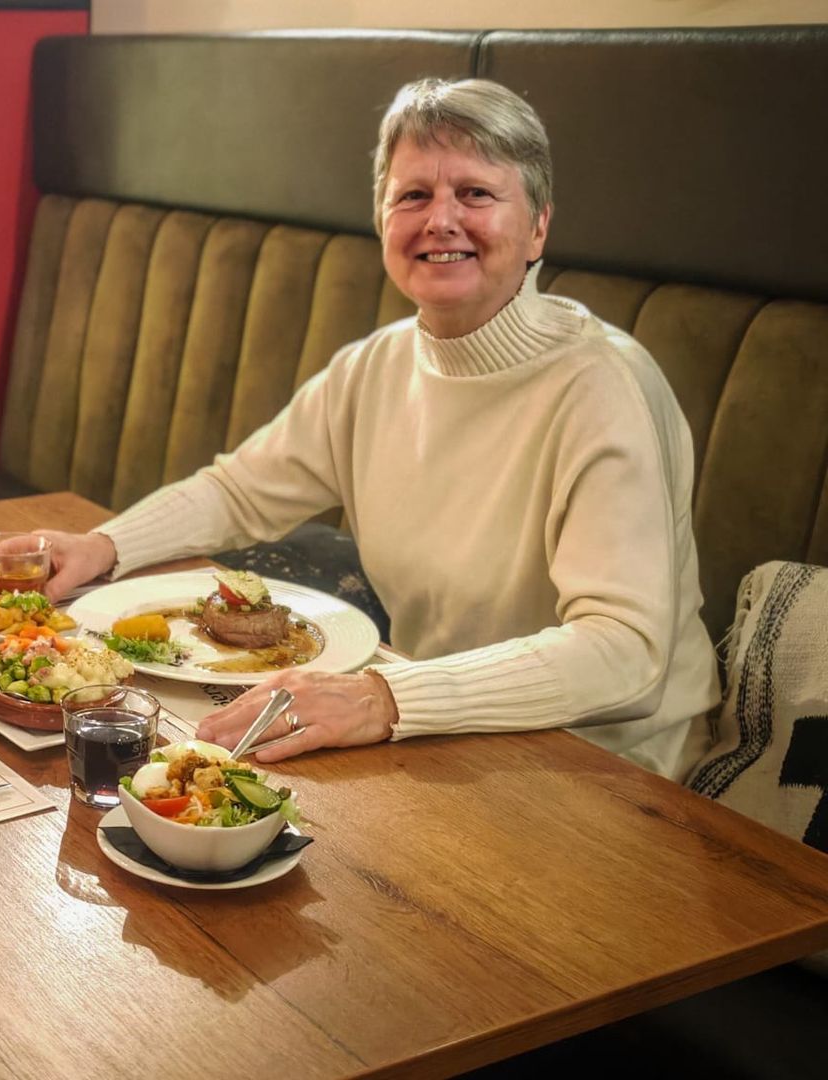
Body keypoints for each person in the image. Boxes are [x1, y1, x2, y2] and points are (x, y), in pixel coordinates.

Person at [35, 78, 718, 780]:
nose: (441, 220)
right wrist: (104, 546)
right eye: (413, 195)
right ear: (382, 219)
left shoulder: (604, 386)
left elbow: (625, 654)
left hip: (611, 767)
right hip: (442, 732)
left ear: (539, 224)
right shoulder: (377, 366)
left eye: (476, 194)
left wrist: (382, 698)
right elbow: (240, 491)